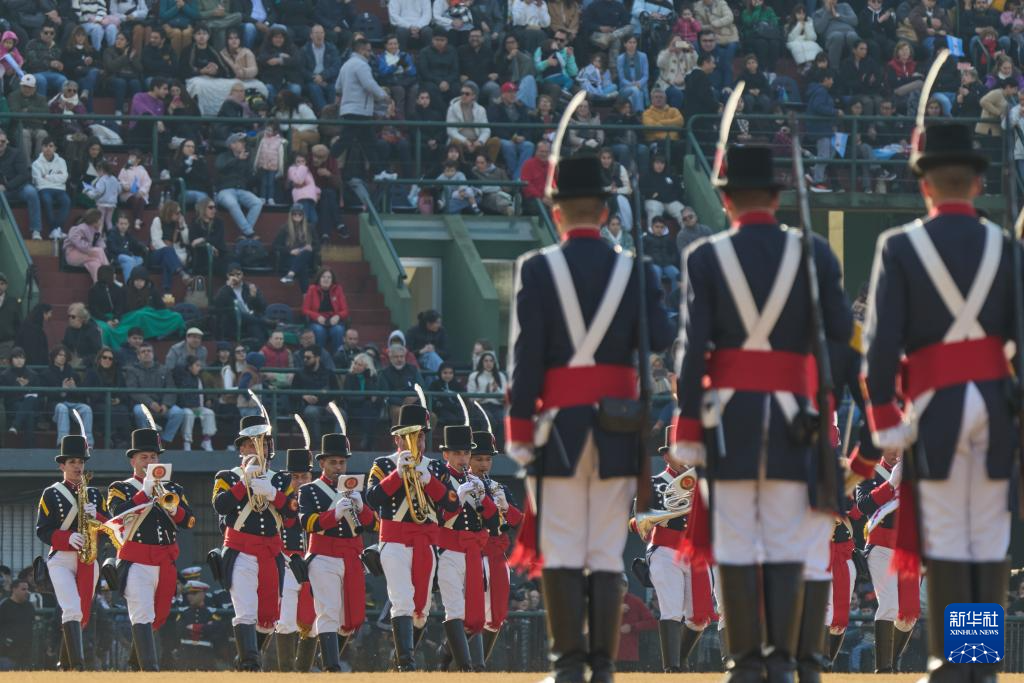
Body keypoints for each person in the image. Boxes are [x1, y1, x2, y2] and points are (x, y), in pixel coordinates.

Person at [670, 146, 851, 683]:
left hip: (731, 420)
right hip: (799, 416)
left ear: (725, 200)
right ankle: (799, 662)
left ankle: (748, 664)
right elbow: (842, 338)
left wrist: (687, 425)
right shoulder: (815, 253)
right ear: (777, 197)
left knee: (739, 544)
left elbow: (692, 350)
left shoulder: (704, 258)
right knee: (797, 545)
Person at [853, 123, 1015, 683]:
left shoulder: (898, 247)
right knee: (986, 541)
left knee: (946, 538)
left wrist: (884, 423)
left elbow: (879, 350)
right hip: (996, 407)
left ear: (924, 186)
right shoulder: (1005, 248)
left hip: (936, 408)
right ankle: (980, 663)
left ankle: (950, 662)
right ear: (976, 182)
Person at [505, 154, 673, 683]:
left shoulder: (537, 268)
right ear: (604, 211)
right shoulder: (635, 269)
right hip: (618, 428)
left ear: (558, 213)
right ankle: (602, 665)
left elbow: (527, 356)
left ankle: (567, 664)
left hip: (557, 426)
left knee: (559, 549)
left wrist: (519, 426)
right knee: (604, 551)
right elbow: (663, 338)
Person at [365, 404, 459, 670]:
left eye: (420, 436)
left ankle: (398, 658)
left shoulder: (436, 468)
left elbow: (452, 504)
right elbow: (372, 498)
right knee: (402, 598)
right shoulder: (383, 464)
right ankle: (406, 663)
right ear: (397, 439)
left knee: (423, 608)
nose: (416, 441)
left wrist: (429, 480)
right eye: (410, 435)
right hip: (394, 539)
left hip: (425, 541)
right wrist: (397, 474)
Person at [106, 428, 195, 670]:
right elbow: (116, 514)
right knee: (142, 613)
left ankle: (135, 667)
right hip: (135, 559)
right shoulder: (120, 487)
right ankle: (150, 669)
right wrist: (143, 493)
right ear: (133, 460)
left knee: (157, 614)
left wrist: (173, 509)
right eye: (144, 457)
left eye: (153, 457)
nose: (149, 462)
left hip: (164, 560)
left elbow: (189, 521)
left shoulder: (173, 488)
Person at [212, 414, 294, 670]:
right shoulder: (227, 476)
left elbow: (292, 515)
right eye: (252, 444)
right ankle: (250, 665)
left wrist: (272, 494)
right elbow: (220, 505)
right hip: (240, 549)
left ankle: (247, 657)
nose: (259, 449)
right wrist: (244, 482)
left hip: (270, 551)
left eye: (264, 443)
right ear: (241, 448)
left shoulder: (281, 479)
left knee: (269, 615)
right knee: (245, 609)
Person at [629, 428, 713, 672]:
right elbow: (636, 522)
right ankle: (672, 668)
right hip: (665, 548)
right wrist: (657, 519)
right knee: (672, 610)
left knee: (700, 617)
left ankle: (682, 658)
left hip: (695, 551)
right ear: (667, 456)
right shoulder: (653, 483)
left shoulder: (703, 484)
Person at [298, 432, 375, 670]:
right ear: (322, 463)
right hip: (323, 556)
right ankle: (332, 667)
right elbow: (307, 523)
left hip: (352, 556)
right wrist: (334, 514)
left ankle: (324, 660)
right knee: (328, 611)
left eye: (342, 462)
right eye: (333, 462)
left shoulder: (356, 489)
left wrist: (362, 509)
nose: (338, 467)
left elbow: (374, 525)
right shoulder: (309, 490)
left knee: (351, 618)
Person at [35, 433, 109, 671]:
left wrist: (95, 515)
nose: (78, 466)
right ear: (62, 465)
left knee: (83, 612)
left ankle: (64, 664)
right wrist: (67, 537)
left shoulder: (95, 494)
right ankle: (77, 665)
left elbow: (109, 527)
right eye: (72, 462)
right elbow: (42, 530)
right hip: (62, 559)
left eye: (81, 462)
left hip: (89, 558)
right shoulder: (51, 493)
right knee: (71, 608)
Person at [436, 425, 500, 671]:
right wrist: (457, 496)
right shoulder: (440, 477)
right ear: (446, 456)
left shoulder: (475, 481)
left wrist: (483, 498)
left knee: (475, 616)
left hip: (473, 551)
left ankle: (444, 653)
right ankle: (465, 667)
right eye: (457, 454)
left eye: (465, 453)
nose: (463, 459)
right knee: (454, 608)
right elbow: (437, 516)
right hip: (448, 550)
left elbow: (494, 524)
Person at [854, 449, 919, 673]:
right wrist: (891, 484)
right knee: (890, 604)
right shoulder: (870, 473)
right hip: (881, 546)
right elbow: (864, 505)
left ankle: (891, 664)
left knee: (909, 615)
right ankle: (883, 671)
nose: (896, 452)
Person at [335, 37, 390, 178]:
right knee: (345, 141)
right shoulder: (361, 65)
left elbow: (338, 87)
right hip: (359, 110)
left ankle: (379, 172)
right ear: (360, 50)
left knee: (369, 143)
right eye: (368, 50)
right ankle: (324, 161)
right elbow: (369, 84)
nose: (370, 53)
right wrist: (384, 96)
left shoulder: (345, 65)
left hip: (350, 109)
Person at [125, 343, 185, 444]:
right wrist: (150, 403)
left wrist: (166, 405)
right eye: (143, 352)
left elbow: (171, 388)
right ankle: (146, 439)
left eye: (149, 351)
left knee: (178, 412)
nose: (146, 353)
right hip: (143, 405)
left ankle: (164, 440)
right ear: (138, 356)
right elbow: (133, 391)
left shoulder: (164, 369)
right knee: (139, 411)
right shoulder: (132, 370)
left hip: (162, 405)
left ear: (153, 354)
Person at [41, 344, 95, 446]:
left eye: (64, 355)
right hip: (55, 405)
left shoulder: (73, 373)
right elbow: (46, 395)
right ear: (54, 356)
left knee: (86, 409)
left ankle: (88, 442)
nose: (62, 357)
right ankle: (63, 441)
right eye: (60, 355)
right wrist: (62, 390)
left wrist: (74, 388)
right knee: (62, 408)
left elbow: (81, 396)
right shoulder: (46, 373)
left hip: (72, 404)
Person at [215, 133, 264, 237]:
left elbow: (250, 180)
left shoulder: (246, 159)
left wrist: (258, 171)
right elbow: (220, 167)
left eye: (243, 142)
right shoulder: (223, 156)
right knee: (232, 203)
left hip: (241, 190)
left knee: (257, 203)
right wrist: (237, 159)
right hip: (225, 191)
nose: (244, 144)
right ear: (232, 145)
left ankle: (246, 233)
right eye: (240, 142)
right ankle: (249, 232)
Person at [0, 128, 44, 240]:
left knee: (31, 192)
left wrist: (6, 186)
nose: (0, 144)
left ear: (7, 141)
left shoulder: (16, 153)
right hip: (1, 191)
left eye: (3, 141)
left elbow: (23, 175)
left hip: (18, 188)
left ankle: (36, 230)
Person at [213, 264, 272, 342]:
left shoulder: (249, 287)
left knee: (255, 328)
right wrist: (228, 287)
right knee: (254, 321)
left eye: (238, 274)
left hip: (250, 319)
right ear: (227, 276)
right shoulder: (224, 290)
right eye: (232, 274)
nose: (235, 277)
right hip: (233, 320)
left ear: (242, 274)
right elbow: (217, 305)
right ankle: (264, 322)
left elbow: (262, 307)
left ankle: (260, 349)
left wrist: (254, 297)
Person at [302, 267, 349, 353]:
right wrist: (317, 317)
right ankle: (319, 357)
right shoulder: (312, 289)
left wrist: (338, 316)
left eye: (329, 277)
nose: (326, 279)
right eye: (323, 277)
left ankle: (337, 358)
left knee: (338, 330)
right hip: (317, 322)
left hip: (334, 322)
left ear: (332, 279)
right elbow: (305, 310)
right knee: (319, 331)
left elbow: (345, 310)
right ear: (319, 278)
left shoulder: (338, 289)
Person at [175, 356, 217, 450]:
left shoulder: (200, 377)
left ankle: (206, 441)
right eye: (197, 365)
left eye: (200, 366)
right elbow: (182, 396)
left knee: (209, 413)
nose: (199, 368)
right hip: (185, 408)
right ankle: (187, 443)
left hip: (198, 408)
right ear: (190, 367)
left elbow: (204, 392)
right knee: (188, 414)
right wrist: (190, 406)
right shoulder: (183, 378)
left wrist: (208, 400)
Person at [32, 137, 71, 239]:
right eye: (45, 146)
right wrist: (56, 176)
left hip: (60, 189)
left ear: (55, 148)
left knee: (66, 201)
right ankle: (56, 229)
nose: (48, 148)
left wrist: (47, 176)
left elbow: (64, 178)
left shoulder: (61, 161)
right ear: (42, 148)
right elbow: (39, 181)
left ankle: (55, 229)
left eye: (51, 146)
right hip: (44, 189)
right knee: (47, 200)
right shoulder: (36, 164)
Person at [0, 348, 40, 445]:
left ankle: (15, 426)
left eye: (22, 358)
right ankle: (29, 446)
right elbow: (5, 395)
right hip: (13, 403)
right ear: (11, 360)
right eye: (16, 358)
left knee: (30, 398)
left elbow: (38, 393)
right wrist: (19, 386)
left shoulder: (32, 374)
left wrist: (26, 387)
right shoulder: (5, 375)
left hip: (31, 402)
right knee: (28, 412)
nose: (19, 360)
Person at [275, 205, 318, 289]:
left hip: (306, 256)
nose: (297, 216)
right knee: (303, 267)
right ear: (291, 215)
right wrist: (290, 251)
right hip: (290, 258)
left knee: (306, 252)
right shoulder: (285, 228)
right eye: (295, 214)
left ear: (303, 215)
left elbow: (317, 246)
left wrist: (311, 247)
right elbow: (275, 246)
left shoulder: (310, 227)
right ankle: (305, 297)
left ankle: (290, 275)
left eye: (300, 214)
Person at [64, 208, 109, 282]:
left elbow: (100, 243)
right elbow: (73, 238)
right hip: (72, 254)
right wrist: (88, 248)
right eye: (100, 219)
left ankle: (100, 286)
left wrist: (101, 245)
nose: (101, 221)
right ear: (94, 220)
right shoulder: (81, 227)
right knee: (99, 251)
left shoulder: (95, 230)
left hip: (86, 256)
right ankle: (110, 275)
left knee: (95, 264)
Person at [0, 578, 34, 671]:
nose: (27, 592)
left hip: (26, 650)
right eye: (23, 589)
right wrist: (5, 641)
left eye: (27, 589)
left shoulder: (29, 606)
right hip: (8, 651)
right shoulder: (4, 606)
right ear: (14, 589)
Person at [62, 302, 103, 369]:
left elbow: (98, 352)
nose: (70, 319)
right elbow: (65, 345)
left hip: (88, 366)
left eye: (73, 317)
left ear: (82, 318)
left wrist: (83, 360)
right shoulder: (69, 329)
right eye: (68, 316)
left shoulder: (92, 330)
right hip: (72, 363)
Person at [0, 273, 22, 364]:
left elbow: (18, 323)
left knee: (4, 370)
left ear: (6, 285)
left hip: (7, 343)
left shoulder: (13, 302)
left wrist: (15, 341)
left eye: (2, 284)